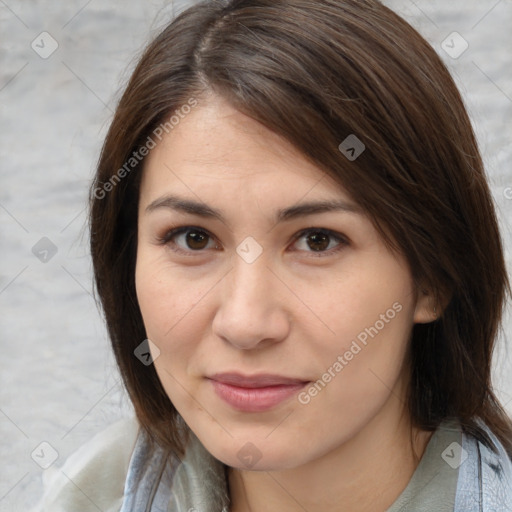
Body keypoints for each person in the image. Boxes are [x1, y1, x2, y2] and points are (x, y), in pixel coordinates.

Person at [34, 0, 512, 510]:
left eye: (317, 240)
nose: (245, 323)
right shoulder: (88, 493)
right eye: (193, 238)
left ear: (433, 275)